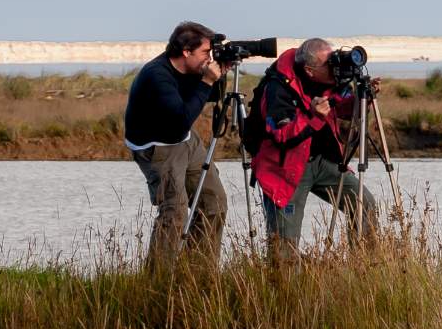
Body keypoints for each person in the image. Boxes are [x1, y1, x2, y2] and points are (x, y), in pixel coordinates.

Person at [250, 38, 379, 256]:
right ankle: (283, 277)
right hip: (284, 168)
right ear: (310, 70)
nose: (334, 66)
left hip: (323, 161)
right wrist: (314, 117)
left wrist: (363, 98)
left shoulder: (331, 79)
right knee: (284, 246)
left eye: (333, 58)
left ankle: (368, 266)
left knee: (363, 204)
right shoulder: (277, 88)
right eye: (328, 63)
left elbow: (343, 108)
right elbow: (282, 135)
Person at [123, 20, 230, 267]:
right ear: (186, 51)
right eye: (205, 52)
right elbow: (181, 118)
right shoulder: (157, 76)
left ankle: (197, 273)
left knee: (214, 202)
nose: (209, 58)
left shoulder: (191, 69)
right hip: (157, 147)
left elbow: (206, 97)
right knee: (175, 211)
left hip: (184, 139)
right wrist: (207, 81)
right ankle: (160, 277)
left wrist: (218, 76)